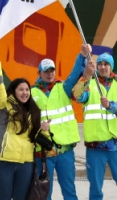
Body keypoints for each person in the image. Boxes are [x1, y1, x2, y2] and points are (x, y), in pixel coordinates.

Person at [0, 48, 49, 200]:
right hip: (3, 163)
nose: (25, 92)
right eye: (21, 89)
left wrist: (44, 131)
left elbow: (38, 140)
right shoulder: (3, 105)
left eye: (27, 89)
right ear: (13, 91)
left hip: (26, 164)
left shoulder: (34, 111)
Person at [31, 44, 92, 200]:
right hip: (44, 151)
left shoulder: (63, 87)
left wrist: (82, 56)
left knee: (69, 190)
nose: (49, 74)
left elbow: (74, 74)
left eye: (52, 70)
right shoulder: (31, 92)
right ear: (39, 73)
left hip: (65, 150)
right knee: (45, 192)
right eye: (46, 71)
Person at [72, 52, 117, 200]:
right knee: (96, 187)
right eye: (101, 64)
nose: (103, 67)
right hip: (95, 146)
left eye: (106, 64)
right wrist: (87, 76)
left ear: (111, 66)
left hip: (115, 145)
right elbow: (77, 96)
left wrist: (111, 106)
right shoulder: (89, 83)